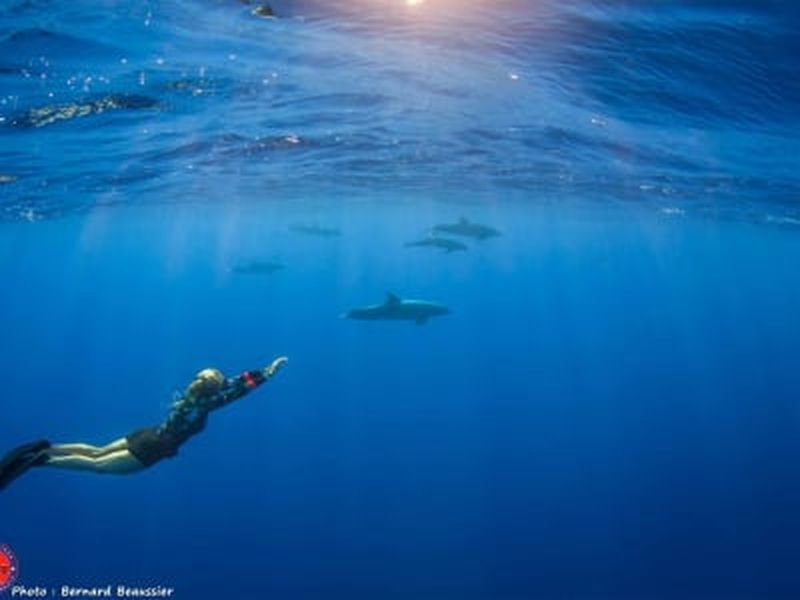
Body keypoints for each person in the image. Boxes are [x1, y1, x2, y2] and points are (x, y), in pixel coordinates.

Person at [0, 357, 287, 491]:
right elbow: (236, 390)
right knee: (99, 467)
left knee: (96, 451)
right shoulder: (206, 403)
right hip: (154, 446)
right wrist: (268, 373)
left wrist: (259, 372)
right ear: (215, 387)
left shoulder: (190, 396)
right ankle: (41, 461)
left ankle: (48, 447)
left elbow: (231, 384)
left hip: (148, 432)